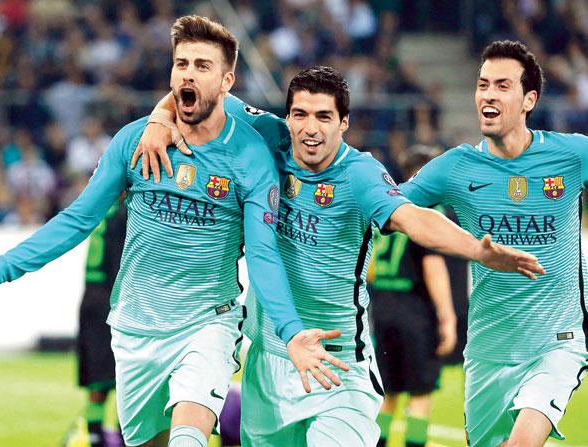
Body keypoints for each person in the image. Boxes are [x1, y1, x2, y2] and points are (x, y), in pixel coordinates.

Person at [0, 16, 350, 447]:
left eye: (203, 66)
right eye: (181, 63)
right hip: (135, 329)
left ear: (228, 82)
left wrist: (292, 331)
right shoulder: (134, 141)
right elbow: (77, 219)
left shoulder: (253, 154)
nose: (188, 73)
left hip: (208, 322)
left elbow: (262, 255)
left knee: (189, 437)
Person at [134, 65, 544, 446]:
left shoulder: (359, 174)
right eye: (300, 115)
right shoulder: (270, 137)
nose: (310, 129)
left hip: (339, 368)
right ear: (288, 117)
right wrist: (157, 121)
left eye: (324, 117)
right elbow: (197, 95)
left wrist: (475, 249)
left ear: (344, 124)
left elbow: (412, 218)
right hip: (269, 363)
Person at [399, 40, 588, 446]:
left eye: (503, 86)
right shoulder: (455, 166)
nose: (487, 94)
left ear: (528, 99)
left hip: (556, 343)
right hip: (488, 349)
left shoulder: (571, 155)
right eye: (483, 84)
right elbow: (389, 208)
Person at [370, 149, 457, 447]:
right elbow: (433, 268)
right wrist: (448, 318)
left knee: (389, 397)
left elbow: (368, 269)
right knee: (419, 398)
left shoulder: (387, 209)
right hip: (415, 315)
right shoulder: (426, 212)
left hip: (381, 311)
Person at [77, 198, 126, 447]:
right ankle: (123, 437)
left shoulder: (102, 213)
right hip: (110, 299)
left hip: (90, 299)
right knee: (126, 376)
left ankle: (94, 436)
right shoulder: (124, 215)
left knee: (97, 379)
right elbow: (120, 266)